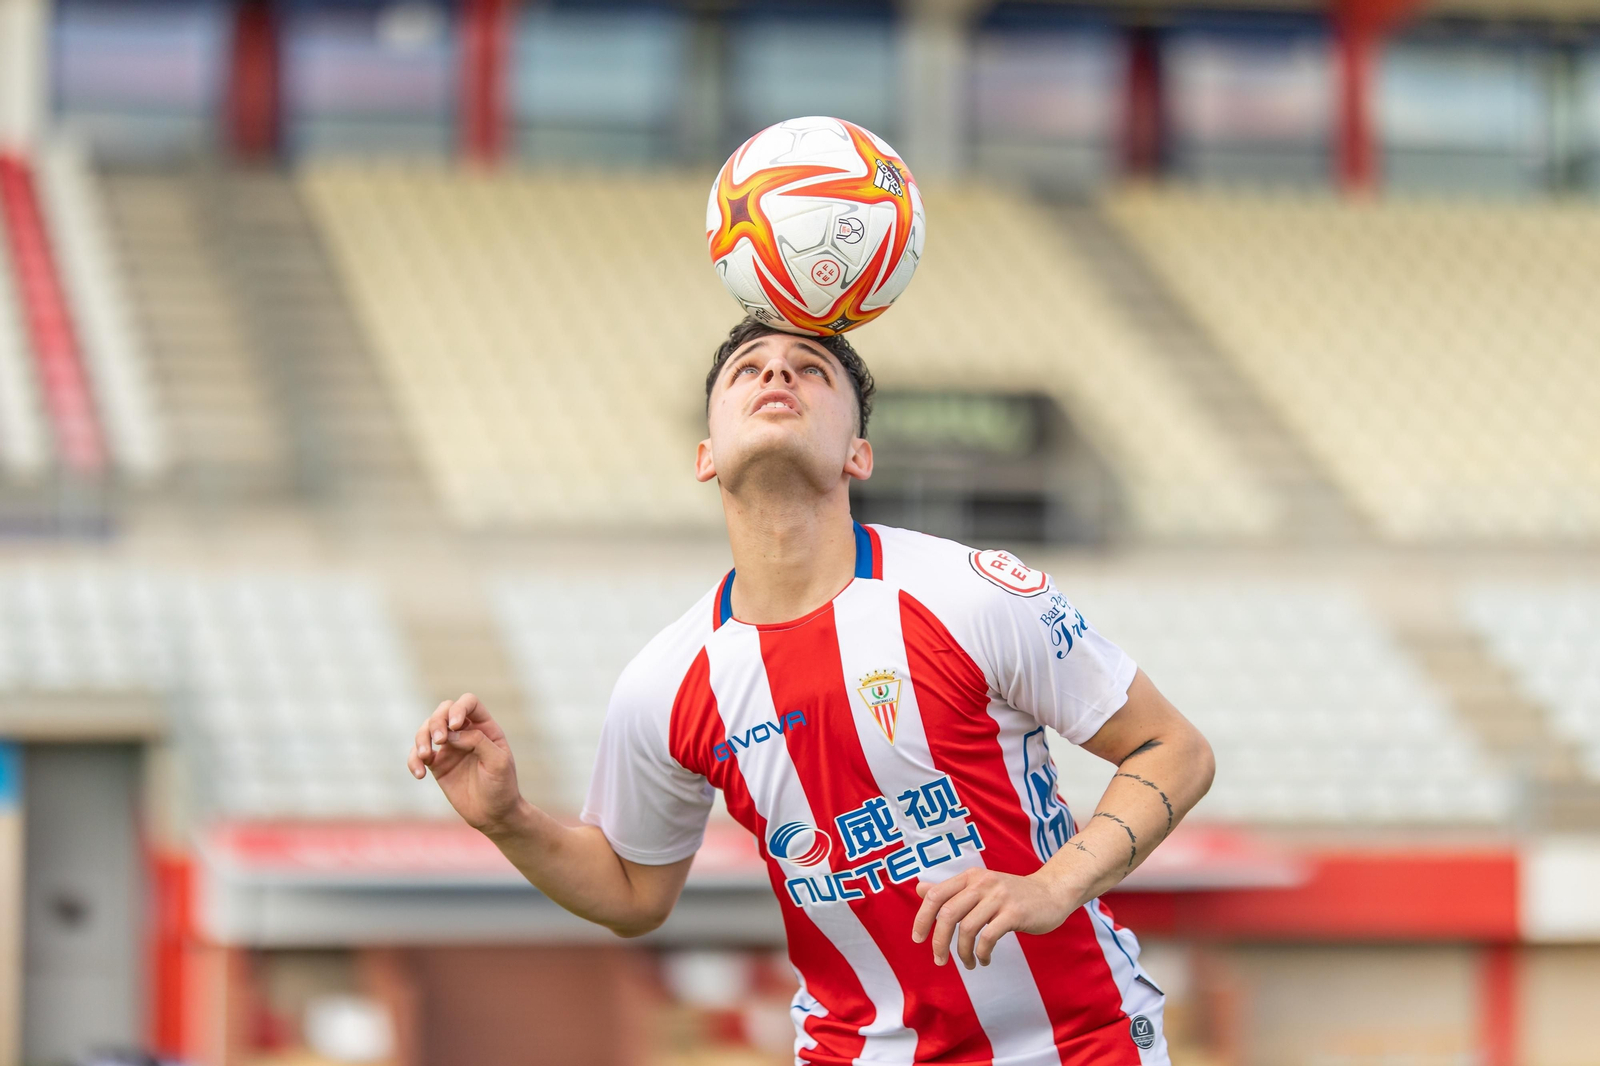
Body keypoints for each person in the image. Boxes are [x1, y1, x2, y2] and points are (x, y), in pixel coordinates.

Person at [408, 315, 1215, 1065]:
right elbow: (632, 893)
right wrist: (509, 822)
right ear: (705, 455)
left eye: (811, 369)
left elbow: (1173, 748)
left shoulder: (970, 595)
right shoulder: (664, 683)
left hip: (1082, 1042)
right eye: (749, 369)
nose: (777, 376)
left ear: (858, 454)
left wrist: (1055, 885)